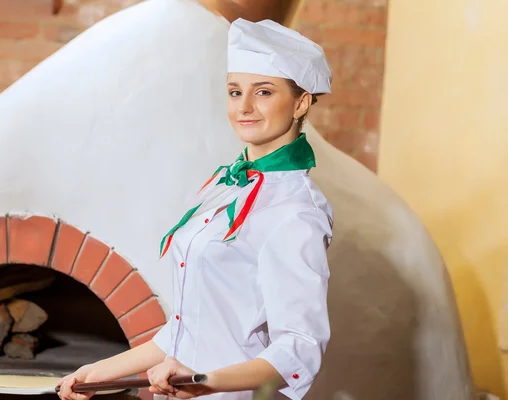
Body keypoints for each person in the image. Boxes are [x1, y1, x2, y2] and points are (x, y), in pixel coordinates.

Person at [58, 17, 333, 400]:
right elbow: (188, 330)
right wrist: (100, 372)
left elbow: (299, 348)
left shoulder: (296, 211)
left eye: (265, 92)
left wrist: (202, 381)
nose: (245, 107)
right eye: (235, 92)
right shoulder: (226, 187)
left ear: (301, 102)